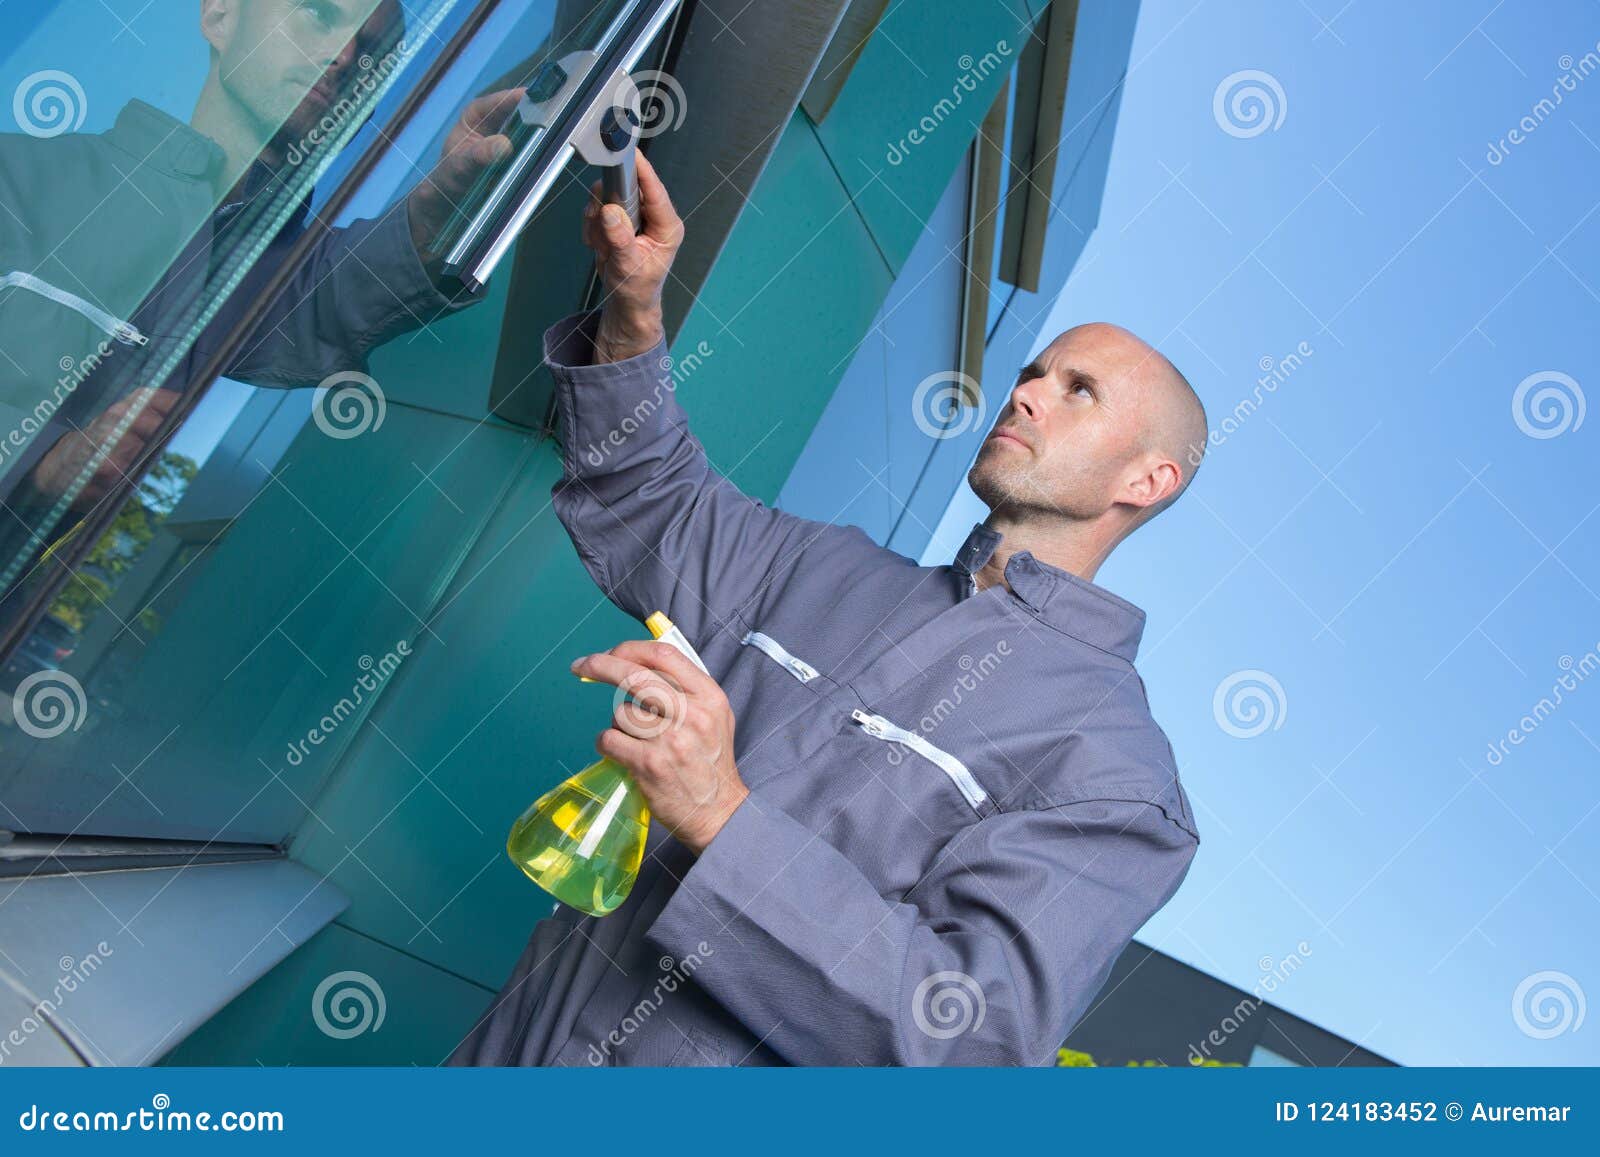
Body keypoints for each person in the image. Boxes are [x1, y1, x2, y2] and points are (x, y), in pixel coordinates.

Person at [449, 152, 1206, 1067]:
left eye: (1078, 390)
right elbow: (648, 492)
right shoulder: (824, 566)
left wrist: (720, 815)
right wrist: (635, 308)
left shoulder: (1114, 774)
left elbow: (965, 1042)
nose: (1027, 392)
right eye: (1033, 372)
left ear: (1148, 479)